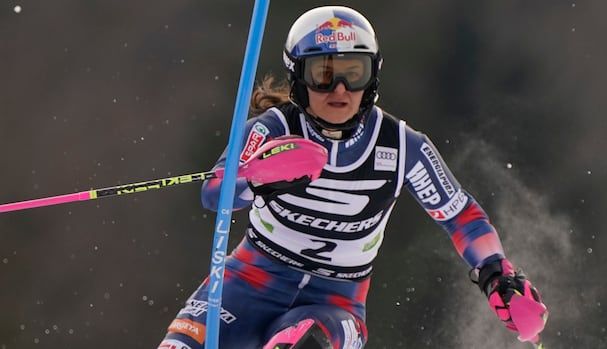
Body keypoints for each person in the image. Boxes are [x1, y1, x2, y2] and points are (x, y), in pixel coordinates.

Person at [158, 6, 548, 349]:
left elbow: (459, 215)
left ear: (372, 77)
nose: (340, 89)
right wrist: (255, 176)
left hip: (336, 304)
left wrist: (497, 274)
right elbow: (214, 193)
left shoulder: (401, 146)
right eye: (323, 73)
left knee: (304, 339)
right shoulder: (271, 129)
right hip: (248, 283)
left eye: (353, 72)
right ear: (299, 78)